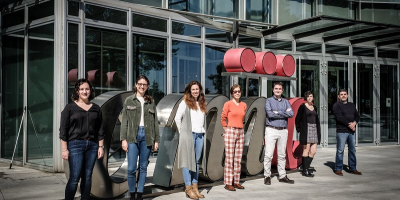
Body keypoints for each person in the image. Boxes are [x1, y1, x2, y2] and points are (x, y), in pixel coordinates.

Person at [60, 78, 104, 200]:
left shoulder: (96, 108)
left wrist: (101, 146)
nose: (85, 91)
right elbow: (63, 130)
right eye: (82, 89)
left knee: (88, 176)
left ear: (90, 90)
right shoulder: (70, 108)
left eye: (87, 89)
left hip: (93, 145)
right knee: (74, 177)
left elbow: (100, 129)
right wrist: (64, 149)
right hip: (75, 144)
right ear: (77, 91)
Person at [120, 75, 160, 200]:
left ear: (147, 86)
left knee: (143, 167)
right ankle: (132, 193)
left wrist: (157, 140)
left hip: (147, 136)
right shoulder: (129, 100)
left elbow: (155, 122)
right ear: (136, 85)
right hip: (132, 136)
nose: (142, 86)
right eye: (140, 84)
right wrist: (123, 139)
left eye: (144, 84)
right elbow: (125, 121)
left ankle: (140, 194)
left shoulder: (151, 101)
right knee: (131, 168)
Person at [175, 81, 207, 199]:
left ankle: (195, 187)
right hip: (189, 135)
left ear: (200, 90)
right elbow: (177, 118)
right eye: (193, 89)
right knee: (187, 162)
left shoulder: (202, 103)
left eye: (197, 89)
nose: (195, 91)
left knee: (196, 162)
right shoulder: (185, 103)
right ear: (189, 91)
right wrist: (183, 134)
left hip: (200, 135)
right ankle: (188, 188)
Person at [263, 82, 294, 185]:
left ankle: (282, 176)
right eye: (276, 88)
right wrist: (283, 112)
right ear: (273, 90)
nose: (278, 90)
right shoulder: (269, 101)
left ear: (282, 90)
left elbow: (291, 113)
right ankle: (267, 176)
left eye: (280, 88)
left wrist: (278, 112)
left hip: (283, 130)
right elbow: (270, 114)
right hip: (271, 129)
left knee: (282, 155)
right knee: (269, 154)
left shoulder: (286, 101)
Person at [221, 84, 247, 191]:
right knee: (229, 158)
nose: (237, 93)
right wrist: (227, 131)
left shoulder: (244, 105)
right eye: (235, 91)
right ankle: (228, 182)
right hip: (230, 130)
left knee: (238, 158)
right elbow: (223, 118)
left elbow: (243, 119)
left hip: (240, 131)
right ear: (232, 93)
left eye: (239, 91)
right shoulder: (228, 104)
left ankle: (236, 181)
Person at [332, 89, 362, 176]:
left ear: (347, 95)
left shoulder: (351, 105)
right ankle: (338, 168)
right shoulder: (336, 105)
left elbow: (357, 116)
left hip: (351, 131)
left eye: (345, 94)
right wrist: (350, 125)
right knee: (340, 150)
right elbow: (339, 117)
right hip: (342, 131)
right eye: (341, 94)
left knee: (352, 150)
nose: (343, 96)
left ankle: (353, 168)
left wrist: (355, 123)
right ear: (339, 96)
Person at [295, 91, 321, 177]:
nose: (310, 98)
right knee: (306, 150)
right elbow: (297, 119)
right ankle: (305, 170)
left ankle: (305, 166)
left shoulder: (314, 107)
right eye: (308, 96)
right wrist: (299, 130)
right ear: (305, 98)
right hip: (306, 129)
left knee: (313, 151)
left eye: (311, 96)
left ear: (313, 97)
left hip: (314, 129)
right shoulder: (302, 107)